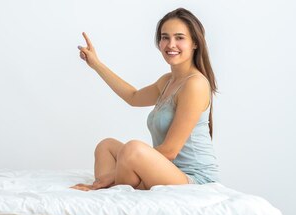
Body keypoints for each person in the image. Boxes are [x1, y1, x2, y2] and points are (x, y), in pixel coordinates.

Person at [72, 8, 218, 191]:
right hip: (167, 170)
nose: (171, 44)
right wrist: (96, 64)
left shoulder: (195, 84)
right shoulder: (167, 81)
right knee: (106, 146)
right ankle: (113, 189)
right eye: (165, 37)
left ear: (195, 42)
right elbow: (133, 97)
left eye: (179, 37)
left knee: (132, 149)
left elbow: (170, 151)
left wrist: (113, 174)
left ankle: (112, 184)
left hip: (194, 179)